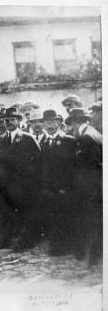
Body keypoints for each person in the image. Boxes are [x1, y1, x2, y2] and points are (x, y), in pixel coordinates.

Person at [0, 107, 41, 250]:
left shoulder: (27, 137)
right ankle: (4, 242)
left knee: (25, 214)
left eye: (12, 119)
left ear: (18, 121)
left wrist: (31, 180)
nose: (9, 122)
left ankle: (26, 242)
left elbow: (39, 160)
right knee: (7, 214)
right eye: (6, 120)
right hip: (7, 184)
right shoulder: (0, 139)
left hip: (24, 184)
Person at [65, 109, 102, 266]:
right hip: (94, 185)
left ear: (75, 122)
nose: (72, 128)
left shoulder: (86, 137)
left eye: (73, 124)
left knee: (88, 220)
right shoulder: (93, 133)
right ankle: (92, 255)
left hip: (89, 187)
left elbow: (91, 164)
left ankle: (92, 257)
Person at [39, 110, 76, 255]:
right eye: (46, 122)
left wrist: (65, 187)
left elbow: (72, 167)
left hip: (63, 189)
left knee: (63, 218)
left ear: (58, 123)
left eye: (52, 122)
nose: (49, 125)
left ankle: (63, 247)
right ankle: (55, 245)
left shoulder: (68, 140)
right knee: (51, 217)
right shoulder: (43, 141)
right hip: (48, 189)